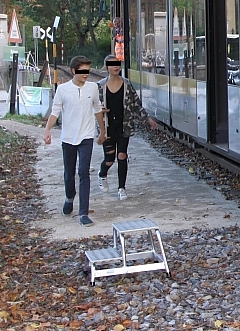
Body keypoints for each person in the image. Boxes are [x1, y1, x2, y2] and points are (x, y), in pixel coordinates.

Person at [44, 55, 105, 226]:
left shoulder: (92, 88)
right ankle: (69, 197)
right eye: (82, 70)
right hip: (69, 137)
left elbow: (97, 108)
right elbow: (55, 111)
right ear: (73, 71)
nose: (86, 74)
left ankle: (83, 212)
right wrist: (47, 129)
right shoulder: (63, 90)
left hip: (86, 135)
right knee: (68, 173)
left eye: (87, 70)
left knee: (83, 172)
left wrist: (102, 130)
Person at [97, 54, 158, 201]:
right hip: (107, 126)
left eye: (117, 64)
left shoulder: (127, 84)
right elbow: (93, 106)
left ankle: (121, 188)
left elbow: (136, 104)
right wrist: (100, 110)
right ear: (107, 68)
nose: (116, 67)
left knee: (122, 155)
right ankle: (102, 174)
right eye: (112, 65)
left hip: (124, 125)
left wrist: (148, 119)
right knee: (109, 160)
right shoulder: (100, 86)